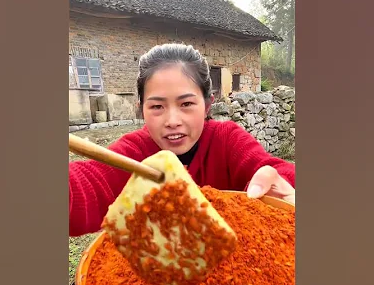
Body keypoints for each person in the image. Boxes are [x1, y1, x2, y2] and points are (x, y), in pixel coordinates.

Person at [69, 43, 295, 237]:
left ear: (207, 105)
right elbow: (91, 182)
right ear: (141, 110)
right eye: (157, 106)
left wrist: (279, 188)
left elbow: (274, 171)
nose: (172, 120)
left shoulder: (227, 140)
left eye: (186, 104)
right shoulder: (135, 152)